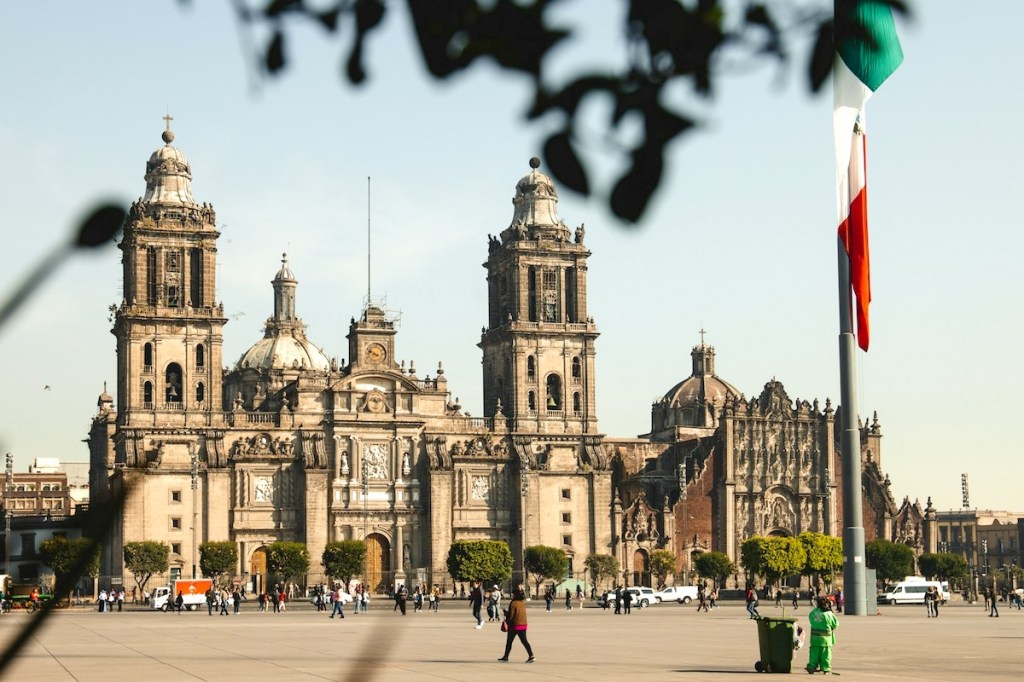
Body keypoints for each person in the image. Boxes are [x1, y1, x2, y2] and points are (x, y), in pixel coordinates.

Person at [497, 585, 535, 663]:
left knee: (509, 642)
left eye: (513, 594)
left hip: (514, 625)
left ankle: (506, 657)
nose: (512, 596)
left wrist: (506, 614)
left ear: (515, 595)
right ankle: (531, 655)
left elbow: (511, 615)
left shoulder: (513, 603)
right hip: (523, 624)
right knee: (524, 641)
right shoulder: (522, 603)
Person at [806, 596, 839, 674]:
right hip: (826, 638)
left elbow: (811, 620)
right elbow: (835, 624)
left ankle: (811, 667)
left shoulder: (813, 612)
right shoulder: (828, 613)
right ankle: (825, 668)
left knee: (814, 653)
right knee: (826, 654)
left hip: (814, 638)